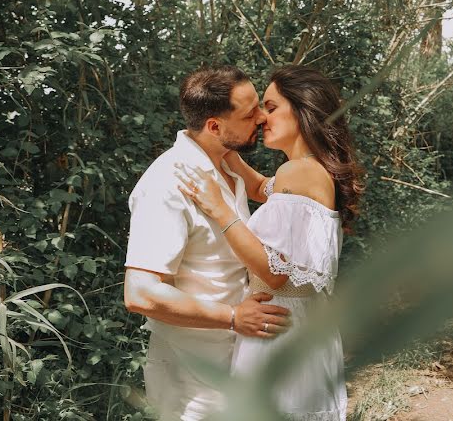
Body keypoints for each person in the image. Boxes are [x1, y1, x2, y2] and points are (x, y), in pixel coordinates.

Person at [177, 65, 364, 421]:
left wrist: (219, 209)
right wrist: (224, 147)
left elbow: (273, 271)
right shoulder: (308, 169)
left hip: (279, 330)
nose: (262, 118)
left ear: (303, 109)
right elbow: (259, 187)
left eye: (271, 106)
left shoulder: (299, 172)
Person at [123, 65, 292, 421]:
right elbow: (140, 293)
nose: (262, 118)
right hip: (192, 372)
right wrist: (233, 317)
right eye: (250, 114)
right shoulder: (168, 183)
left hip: (238, 360)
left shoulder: (228, 171)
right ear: (215, 126)